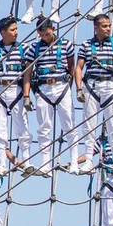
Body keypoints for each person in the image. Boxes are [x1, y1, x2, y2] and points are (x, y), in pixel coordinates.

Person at [26, 19, 80, 173]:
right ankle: (45, 164)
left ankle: (73, 161)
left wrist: (75, 88)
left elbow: (71, 66)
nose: (45, 37)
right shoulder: (34, 49)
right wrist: (26, 95)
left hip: (62, 86)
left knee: (69, 124)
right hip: (43, 89)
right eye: (42, 35)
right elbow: (28, 72)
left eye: (47, 34)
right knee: (44, 127)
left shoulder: (66, 45)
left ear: (53, 29)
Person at [0, 18, 33, 169]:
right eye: (12, 30)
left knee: (22, 126)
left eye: (16, 29)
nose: (16, 33)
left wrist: (26, 95)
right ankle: (2, 164)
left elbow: (28, 74)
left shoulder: (24, 49)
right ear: (3, 32)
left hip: (16, 90)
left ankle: (26, 160)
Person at [77, 14, 113, 152]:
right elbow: (78, 68)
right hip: (91, 86)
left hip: (110, 85)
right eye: (104, 26)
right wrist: (78, 88)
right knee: (89, 124)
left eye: (109, 26)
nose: (108, 29)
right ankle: (88, 159)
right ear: (96, 28)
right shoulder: (86, 45)